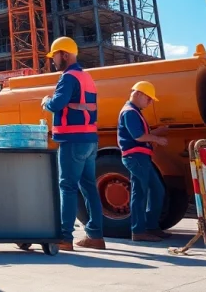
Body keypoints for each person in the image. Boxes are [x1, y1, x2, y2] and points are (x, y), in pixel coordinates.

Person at [41, 36, 106, 251]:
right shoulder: (86, 77)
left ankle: (65, 238)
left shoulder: (68, 78)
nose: (53, 61)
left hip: (72, 140)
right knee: (89, 188)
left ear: (65, 55)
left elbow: (57, 104)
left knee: (67, 187)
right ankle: (96, 236)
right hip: (89, 140)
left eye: (55, 56)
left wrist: (46, 101)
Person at [118, 81, 170, 242]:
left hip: (140, 157)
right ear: (139, 94)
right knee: (140, 193)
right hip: (136, 157)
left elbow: (139, 134)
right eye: (149, 99)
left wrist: (157, 132)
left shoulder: (134, 111)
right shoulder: (130, 112)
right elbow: (138, 136)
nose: (150, 102)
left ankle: (151, 227)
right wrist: (157, 138)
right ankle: (139, 231)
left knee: (156, 190)